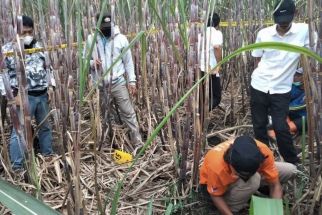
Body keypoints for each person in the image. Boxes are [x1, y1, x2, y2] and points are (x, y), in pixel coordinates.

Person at [250, 0, 315, 164]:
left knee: (280, 127)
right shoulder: (264, 34)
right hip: (259, 85)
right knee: (259, 126)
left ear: (295, 15)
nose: (283, 26)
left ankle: (292, 163)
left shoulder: (304, 31)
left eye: (286, 22)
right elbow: (257, 58)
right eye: (280, 22)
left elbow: (314, 54)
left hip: (281, 89)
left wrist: (300, 73)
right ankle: (264, 160)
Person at [0, 15, 55, 170]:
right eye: (23, 33)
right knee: (19, 132)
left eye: (29, 32)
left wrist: (51, 87)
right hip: (22, 96)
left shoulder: (39, 46)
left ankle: (48, 158)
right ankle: (17, 167)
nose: (26, 36)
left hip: (42, 94)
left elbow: (48, 67)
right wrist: (10, 97)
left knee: (45, 127)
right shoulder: (6, 50)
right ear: (15, 32)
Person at [85, 13, 142, 151]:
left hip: (118, 82)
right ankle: (109, 144)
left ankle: (138, 143)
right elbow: (84, 61)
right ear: (97, 26)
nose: (106, 29)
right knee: (105, 115)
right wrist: (93, 63)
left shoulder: (121, 39)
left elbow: (128, 62)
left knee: (128, 112)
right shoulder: (91, 39)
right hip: (100, 84)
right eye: (103, 27)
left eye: (108, 26)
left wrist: (132, 81)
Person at [199, 135, 297, 214]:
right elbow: (215, 195)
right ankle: (233, 206)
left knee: (290, 170)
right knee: (254, 180)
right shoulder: (216, 166)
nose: (243, 176)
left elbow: (275, 185)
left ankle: (254, 187)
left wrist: (274, 211)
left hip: (252, 173)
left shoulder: (263, 151)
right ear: (230, 162)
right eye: (238, 173)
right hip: (214, 187)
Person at [268, 69, 307, 140]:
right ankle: (285, 130)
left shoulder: (311, 92)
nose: (295, 77)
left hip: (301, 117)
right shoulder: (293, 87)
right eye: (295, 75)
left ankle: (277, 132)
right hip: (288, 112)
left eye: (298, 75)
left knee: (305, 121)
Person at [198, 12, 223, 111]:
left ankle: (199, 117)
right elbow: (217, 47)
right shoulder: (216, 33)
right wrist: (219, 64)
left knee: (203, 96)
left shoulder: (200, 33)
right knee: (216, 98)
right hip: (211, 70)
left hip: (200, 69)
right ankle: (202, 113)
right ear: (218, 23)